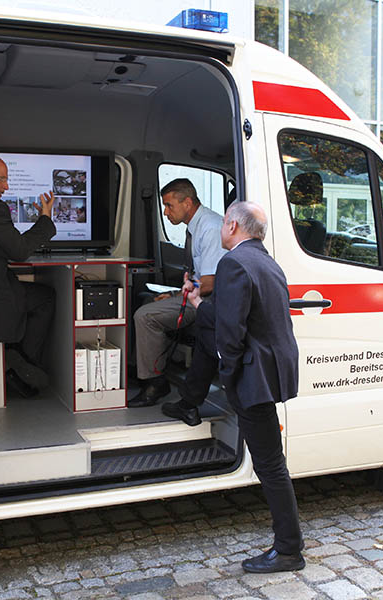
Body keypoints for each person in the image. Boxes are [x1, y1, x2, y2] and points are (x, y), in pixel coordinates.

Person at [163, 201, 304, 573]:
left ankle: (289, 549)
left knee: (271, 466)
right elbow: (233, 311)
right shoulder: (265, 261)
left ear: (232, 225)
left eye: (225, 223)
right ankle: (289, 546)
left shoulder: (232, 263)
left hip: (252, 378)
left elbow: (231, 332)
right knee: (272, 463)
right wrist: (198, 302)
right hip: (272, 372)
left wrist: (227, 374)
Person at [127, 178, 226, 407]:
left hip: (208, 302)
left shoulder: (210, 228)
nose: (165, 211)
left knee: (146, 316)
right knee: (144, 300)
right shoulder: (196, 226)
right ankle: (141, 369)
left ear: (187, 203)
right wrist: (174, 294)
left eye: (169, 205)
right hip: (197, 294)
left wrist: (180, 296)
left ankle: (155, 382)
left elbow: (209, 284)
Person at [0, 153, 56, 397]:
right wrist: (45, 219)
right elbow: (19, 251)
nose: (6, 187)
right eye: (2, 179)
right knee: (45, 297)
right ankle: (22, 363)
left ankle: (18, 358)